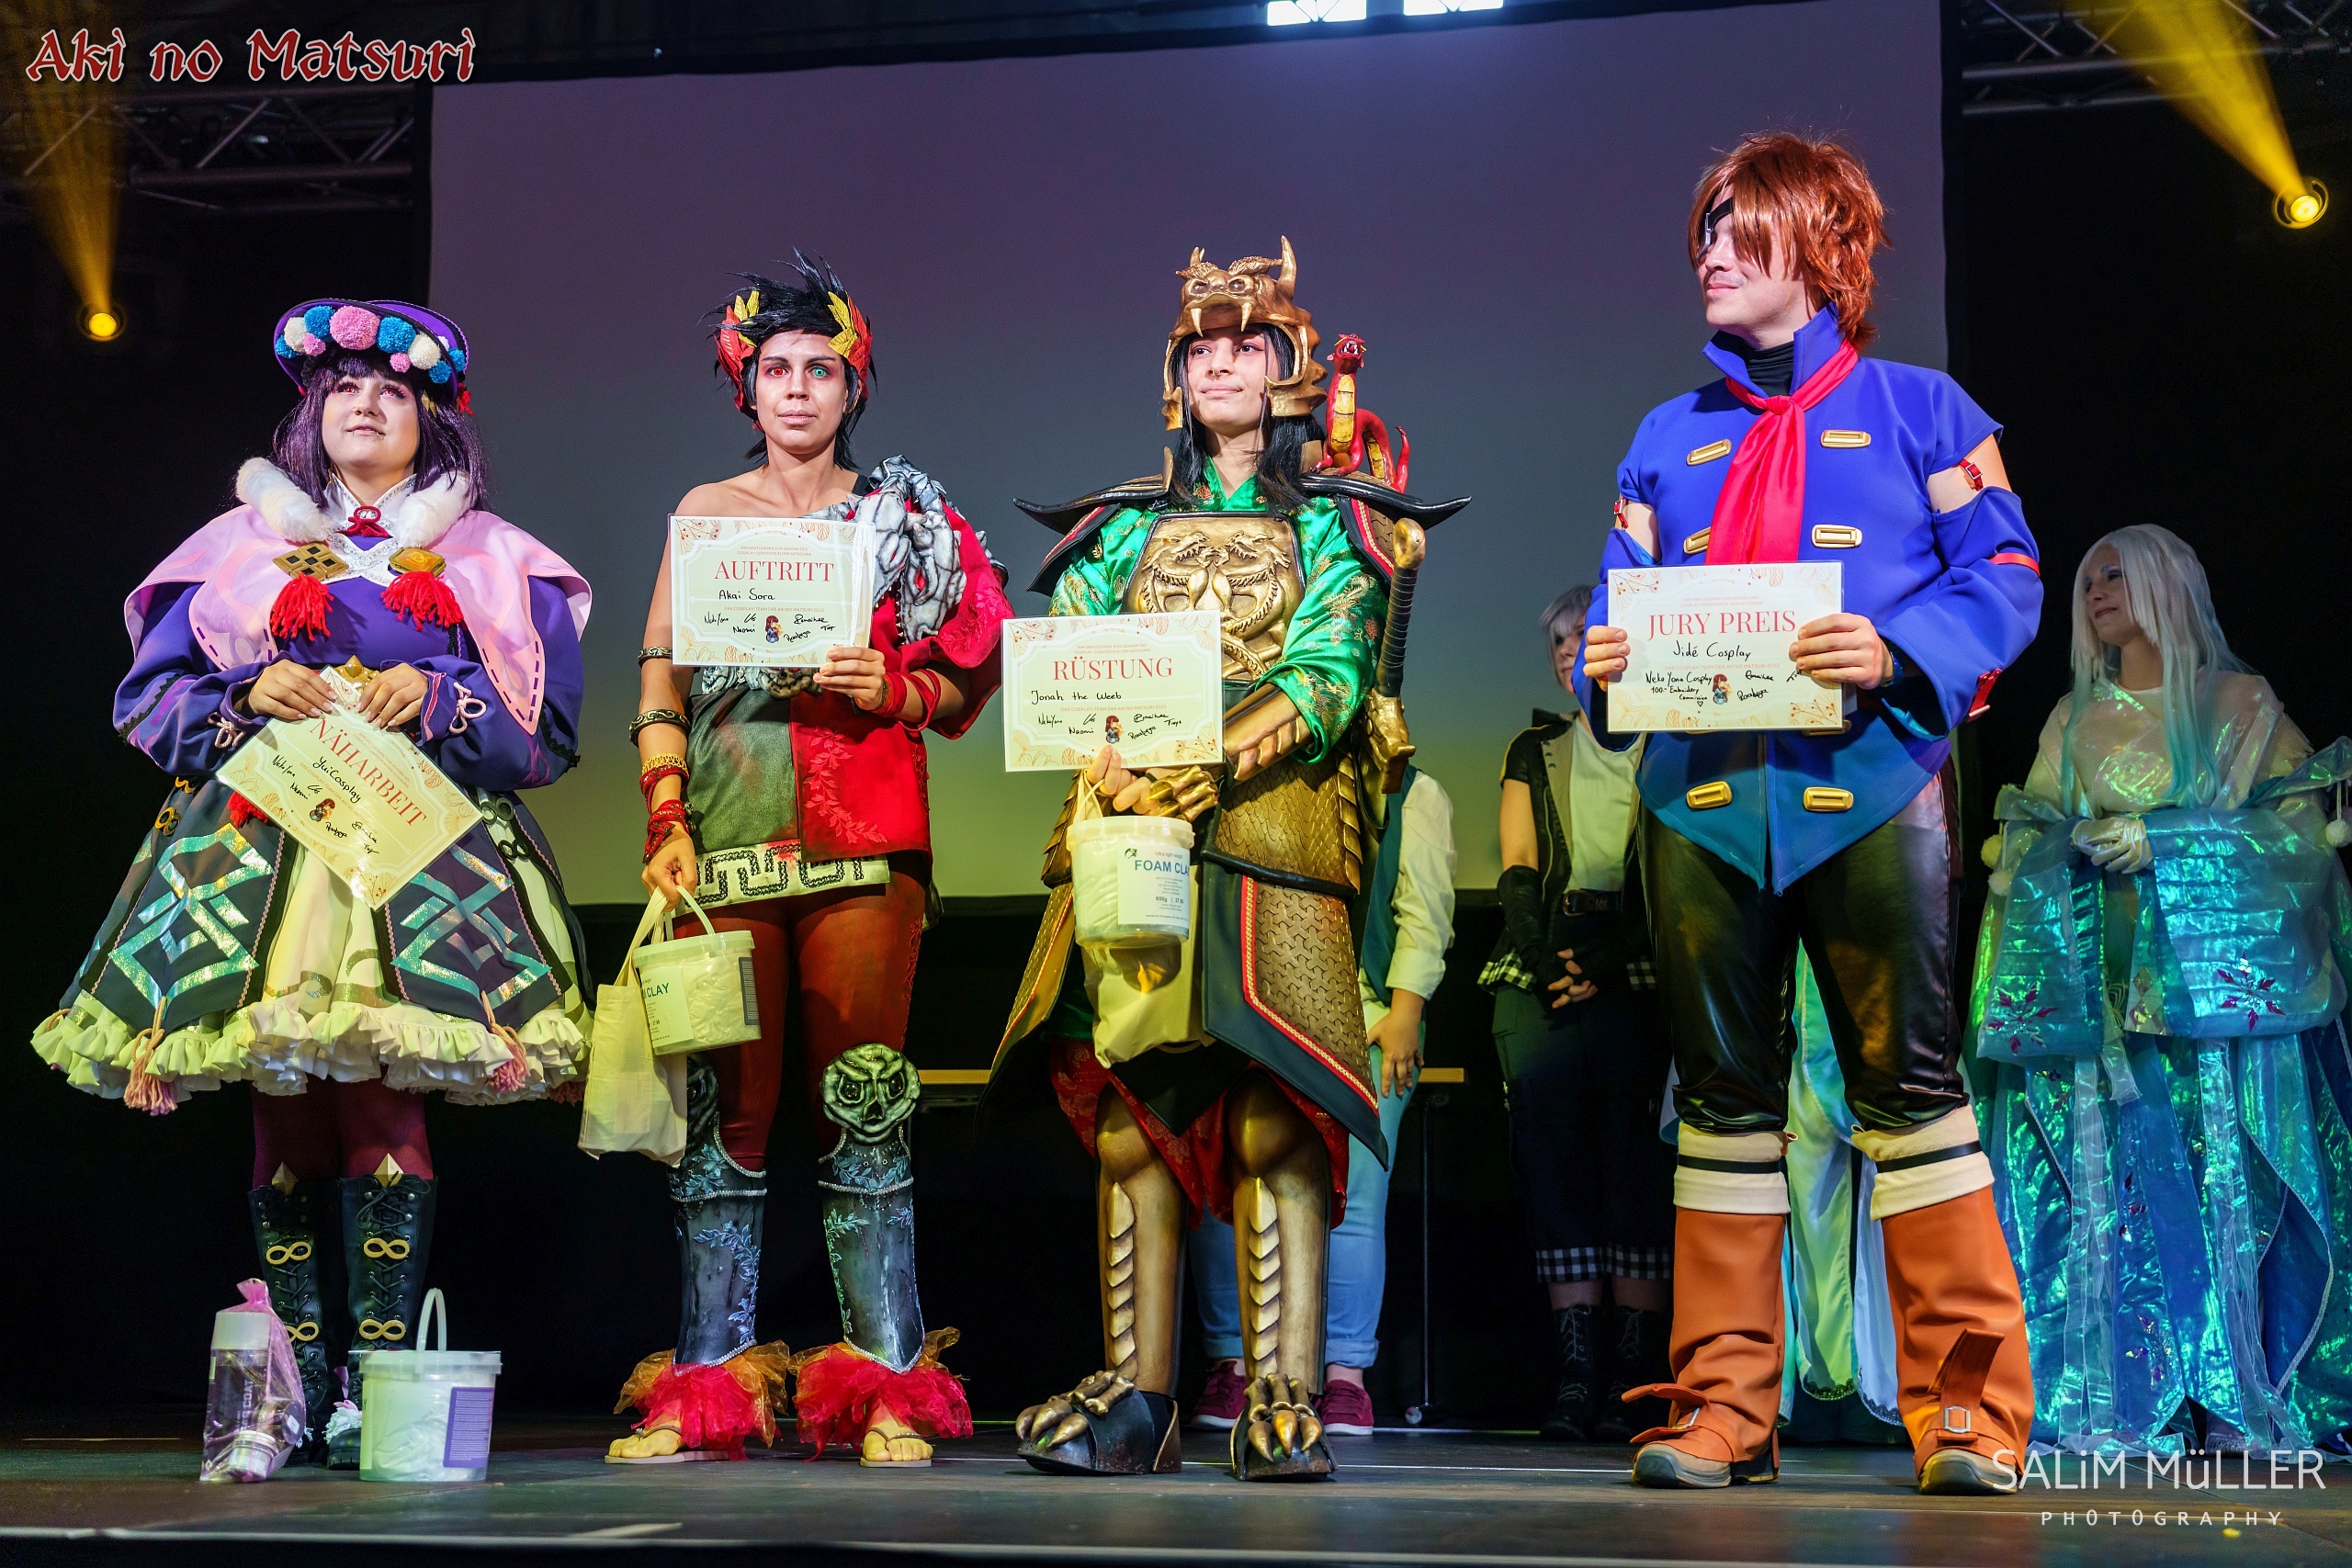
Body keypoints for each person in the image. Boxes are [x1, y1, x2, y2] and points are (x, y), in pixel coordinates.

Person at [34, 299, 591, 1466]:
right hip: (269, 854)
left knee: (386, 1105)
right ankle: (290, 1389)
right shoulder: (236, 549)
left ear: (432, 420)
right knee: (281, 1114)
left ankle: (373, 1389)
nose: (366, 404)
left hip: (416, 857)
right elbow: (150, 702)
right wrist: (244, 697)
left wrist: (438, 696)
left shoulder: (494, 559)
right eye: (344, 388)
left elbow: (545, 739)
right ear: (309, 415)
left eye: (392, 390)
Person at [1576, 132, 2044, 1494]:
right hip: (1701, 805)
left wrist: (1896, 650)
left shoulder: (1927, 412)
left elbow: (2008, 573)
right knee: (1721, 1109)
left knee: (1913, 1097)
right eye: (1706, 232)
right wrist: (1603, 657)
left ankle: (1969, 1413)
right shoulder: (1663, 437)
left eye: (1741, 229)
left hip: (1877, 790)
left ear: (1823, 249)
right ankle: (1724, 1407)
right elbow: (1617, 598)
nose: (1710, 255)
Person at [990, 240, 1465, 1480]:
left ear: (1288, 364)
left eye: (1245, 344)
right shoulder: (1119, 528)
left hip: (1276, 834)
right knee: (1127, 1118)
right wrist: (1103, 756)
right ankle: (1136, 1396)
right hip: (1131, 834)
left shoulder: (1336, 523)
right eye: (1201, 348)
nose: (1220, 365)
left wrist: (1212, 758)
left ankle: (1284, 1389)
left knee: (1274, 1114)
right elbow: (1076, 649)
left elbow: (1329, 665)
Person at [612, 256, 1012, 1467]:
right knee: (723, 1118)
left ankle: (887, 1383)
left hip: (863, 845)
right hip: (729, 839)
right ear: (746, 387)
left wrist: (892, 684)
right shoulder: (706, 510)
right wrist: (666, 816)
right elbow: (661, 677)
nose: (796, 387)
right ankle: (706, 1385)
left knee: (864, 1105)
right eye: (776, 368)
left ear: (853, 386)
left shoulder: (906, 517)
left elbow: (972, 677)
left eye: (820, 369)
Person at [1975, 525, 2352, 1455]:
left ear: (2166, 583)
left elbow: (2297, 836)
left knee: (2223, 1186)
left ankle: (2234, 1388)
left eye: (2116, 574)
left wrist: (2168, 841)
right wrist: (2056, 847)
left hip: (2204, 1005)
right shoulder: (2073, 717)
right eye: (2087, 579)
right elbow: (2026, 829)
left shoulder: (2240, 706)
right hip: (2103, 997)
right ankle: (2125, 1394)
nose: (2096, 590)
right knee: (2119, 1200)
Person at [1188, 767, 1457, 1436]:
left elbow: (1423, 912)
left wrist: (1405, 1013)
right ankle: (1233, 1362)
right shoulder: (1250, 777)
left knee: (1356, 1201)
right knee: (1224, 1184)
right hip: (1254, 1010)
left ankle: (1345, 1374)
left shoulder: (1411, 792)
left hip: (1365, 1017)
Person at [1485, 586, 1674, 1443]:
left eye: (1582, 635)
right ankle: (1574, 1379)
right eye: (1557, 642)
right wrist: (1549, 960)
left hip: (1639, 960)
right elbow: (1518, 866)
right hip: (1546, 961)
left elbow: (1674, 868)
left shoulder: (1667, 741)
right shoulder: (1534, 747)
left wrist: (1605, 962)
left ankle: (1633, 1380)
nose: (1568, 652)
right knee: (1554, 1167)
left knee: (1636, 1170)